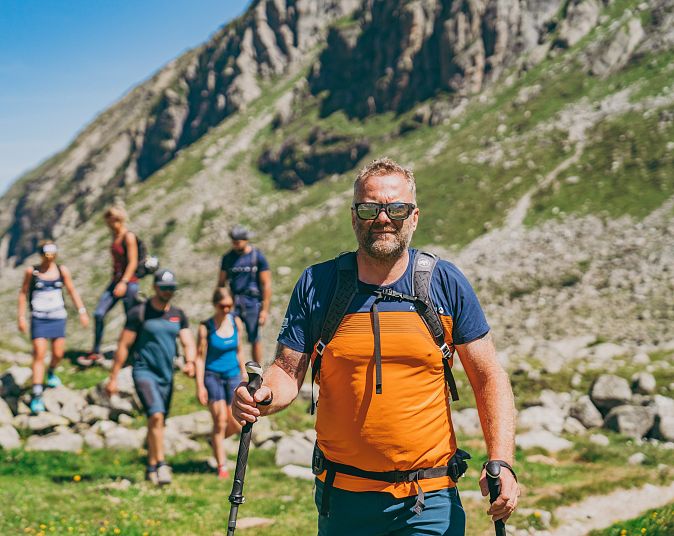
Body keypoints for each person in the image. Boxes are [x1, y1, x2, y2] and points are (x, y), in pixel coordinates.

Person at [233, 158, 520, 535]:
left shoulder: (443, 282)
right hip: (344, 499)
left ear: (414, 217)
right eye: (370, 208)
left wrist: (502, 460)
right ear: (354, 217)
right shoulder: (319, 285)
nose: (383, 218)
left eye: (396, 208)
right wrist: (264, 395)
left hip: (429, 497)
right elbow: (288, 371)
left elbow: (487, 376)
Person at [105, 268, 196, 486]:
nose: (168, 292)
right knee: (155, 416)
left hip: (166, 375)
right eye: (164, 288)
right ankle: (161, 465)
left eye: (171, 289)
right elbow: (123, 345)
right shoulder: (139, 313)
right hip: (144, 371)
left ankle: (150, 464)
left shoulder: (177, 314)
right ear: (155, 287)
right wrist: (114, 377)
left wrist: (190, 361)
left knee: (159, 420)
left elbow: (187, 341)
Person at [17, 241, 89, 414]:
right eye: (46, 254)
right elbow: (23, 293)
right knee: (39, 354)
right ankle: (37, 393)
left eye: (52, 254)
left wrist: (82, 311)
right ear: (41, 254)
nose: (49, 257)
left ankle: (51, 372)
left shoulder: (62, 271)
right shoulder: (32, 272)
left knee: (58, 353)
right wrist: (21, 317)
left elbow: (71, 290)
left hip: (58, 316)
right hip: (39, 317)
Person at [78, 206, 139, 367]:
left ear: (117, 219)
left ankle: (133, 352)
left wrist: (124, 282)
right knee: (99, 313)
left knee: (131, 318)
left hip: (129, 282)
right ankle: (96, 350)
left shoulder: (129, 236)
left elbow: (133, 261)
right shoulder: (115, 236)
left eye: (110, 220)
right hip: (115, 281)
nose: (108, 223)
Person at [195, 287, 246, 479]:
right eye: (222, 306)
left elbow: (240, 350)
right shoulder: (206, 327)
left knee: (235, 423)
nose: (226, 309)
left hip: (232, 375)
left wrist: (244, 374)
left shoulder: (236, 322)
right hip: (212, 376)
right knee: (220, 421)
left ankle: (214, 442)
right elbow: (200, 358)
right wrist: (200, 385)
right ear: (215, 305)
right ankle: (222, 466)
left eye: (229, 306)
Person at [217, 225, 271, 365]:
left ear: (245, 240)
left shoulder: (257, 257)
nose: (235, 244)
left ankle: (257, 370)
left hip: (253, 302)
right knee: (232, 334)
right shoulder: (228, 258)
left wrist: (264, 311)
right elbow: (221, 283)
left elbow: (266, 284)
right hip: (234, 302)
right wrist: (223, 302)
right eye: (233, 241)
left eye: (238, 241)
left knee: (254, 337)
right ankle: (236, 367)